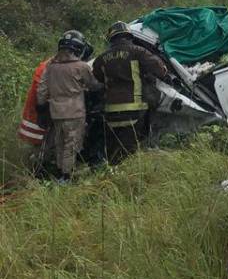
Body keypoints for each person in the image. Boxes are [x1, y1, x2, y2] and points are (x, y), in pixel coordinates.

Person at [92, 22, 171, 160]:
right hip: (135, 107)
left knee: (113, 149)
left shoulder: (100, 59)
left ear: (111, 39)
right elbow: (160, 69)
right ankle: (129, 169)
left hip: (111, 110)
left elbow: (98, 77)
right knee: (131, 148)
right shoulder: (138, 52)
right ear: (129, 36)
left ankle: (112, 168)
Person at [36, 31, 101, 179]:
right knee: (71, 145)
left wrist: (40, 107)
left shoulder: (50, 66)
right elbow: (93, 85)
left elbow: (42, 89)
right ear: (79, 49)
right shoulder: (81, 66)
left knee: (60, 143)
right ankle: (66, 176)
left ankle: (59, 171)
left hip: (56, 113)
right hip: (75, 113)